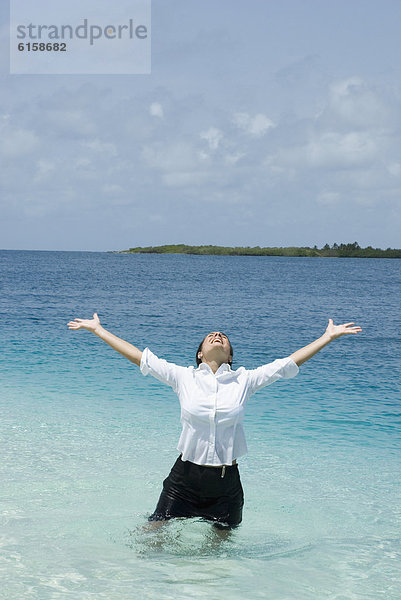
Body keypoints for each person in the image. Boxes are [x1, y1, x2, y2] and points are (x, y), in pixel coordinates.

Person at [67, 313, 361, 529]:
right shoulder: (184, 377)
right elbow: (141, 358)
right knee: (151, 538)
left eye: (223, 337)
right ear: (199, 353)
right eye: (210, 336)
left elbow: (287, 364)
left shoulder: (245, 380)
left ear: (230, 354)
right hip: (184, 479)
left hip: (226, 484)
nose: (217, 335)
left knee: (217, 561)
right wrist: (99, 330)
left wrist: (327, 337)